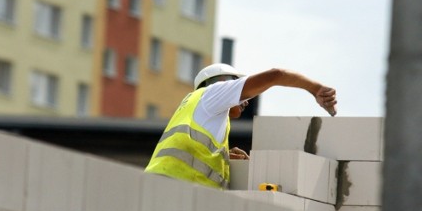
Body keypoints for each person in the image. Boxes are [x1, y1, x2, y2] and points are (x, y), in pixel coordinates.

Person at [144, 63, 337, 189]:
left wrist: (223, 155)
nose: (246, 100)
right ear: (222, 83)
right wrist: (316, 89)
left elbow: (190, 151)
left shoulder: (198, 107)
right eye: (242, 92)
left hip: (165, 189)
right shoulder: (213, 93)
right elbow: (275, 75)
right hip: (172, 190)